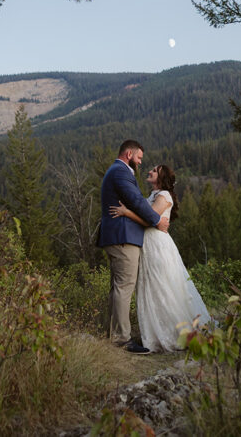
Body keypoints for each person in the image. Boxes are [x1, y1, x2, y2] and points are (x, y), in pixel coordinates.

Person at [110, 164, 211, 353]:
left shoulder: (163, 195)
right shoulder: (154, 196)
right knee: (152, 288)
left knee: (163, 286)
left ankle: (179, 334)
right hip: (148, 244)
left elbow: (150, 219)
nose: (150, 171)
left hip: (157, 246)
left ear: (161, 177)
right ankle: (157, 333)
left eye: (154, 170)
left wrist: (126, 213)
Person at [96, 139, 170, 354]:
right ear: (129, 154)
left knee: (118, 287)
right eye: (139, 158)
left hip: (119, 235)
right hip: (122, 236)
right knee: (124, 286)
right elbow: (136, 202)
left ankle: (112, 335)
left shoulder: (119, 171)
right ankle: (121, 339)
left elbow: (136, 201)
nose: (140, 162)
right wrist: (156, 221)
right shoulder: (121, 172)